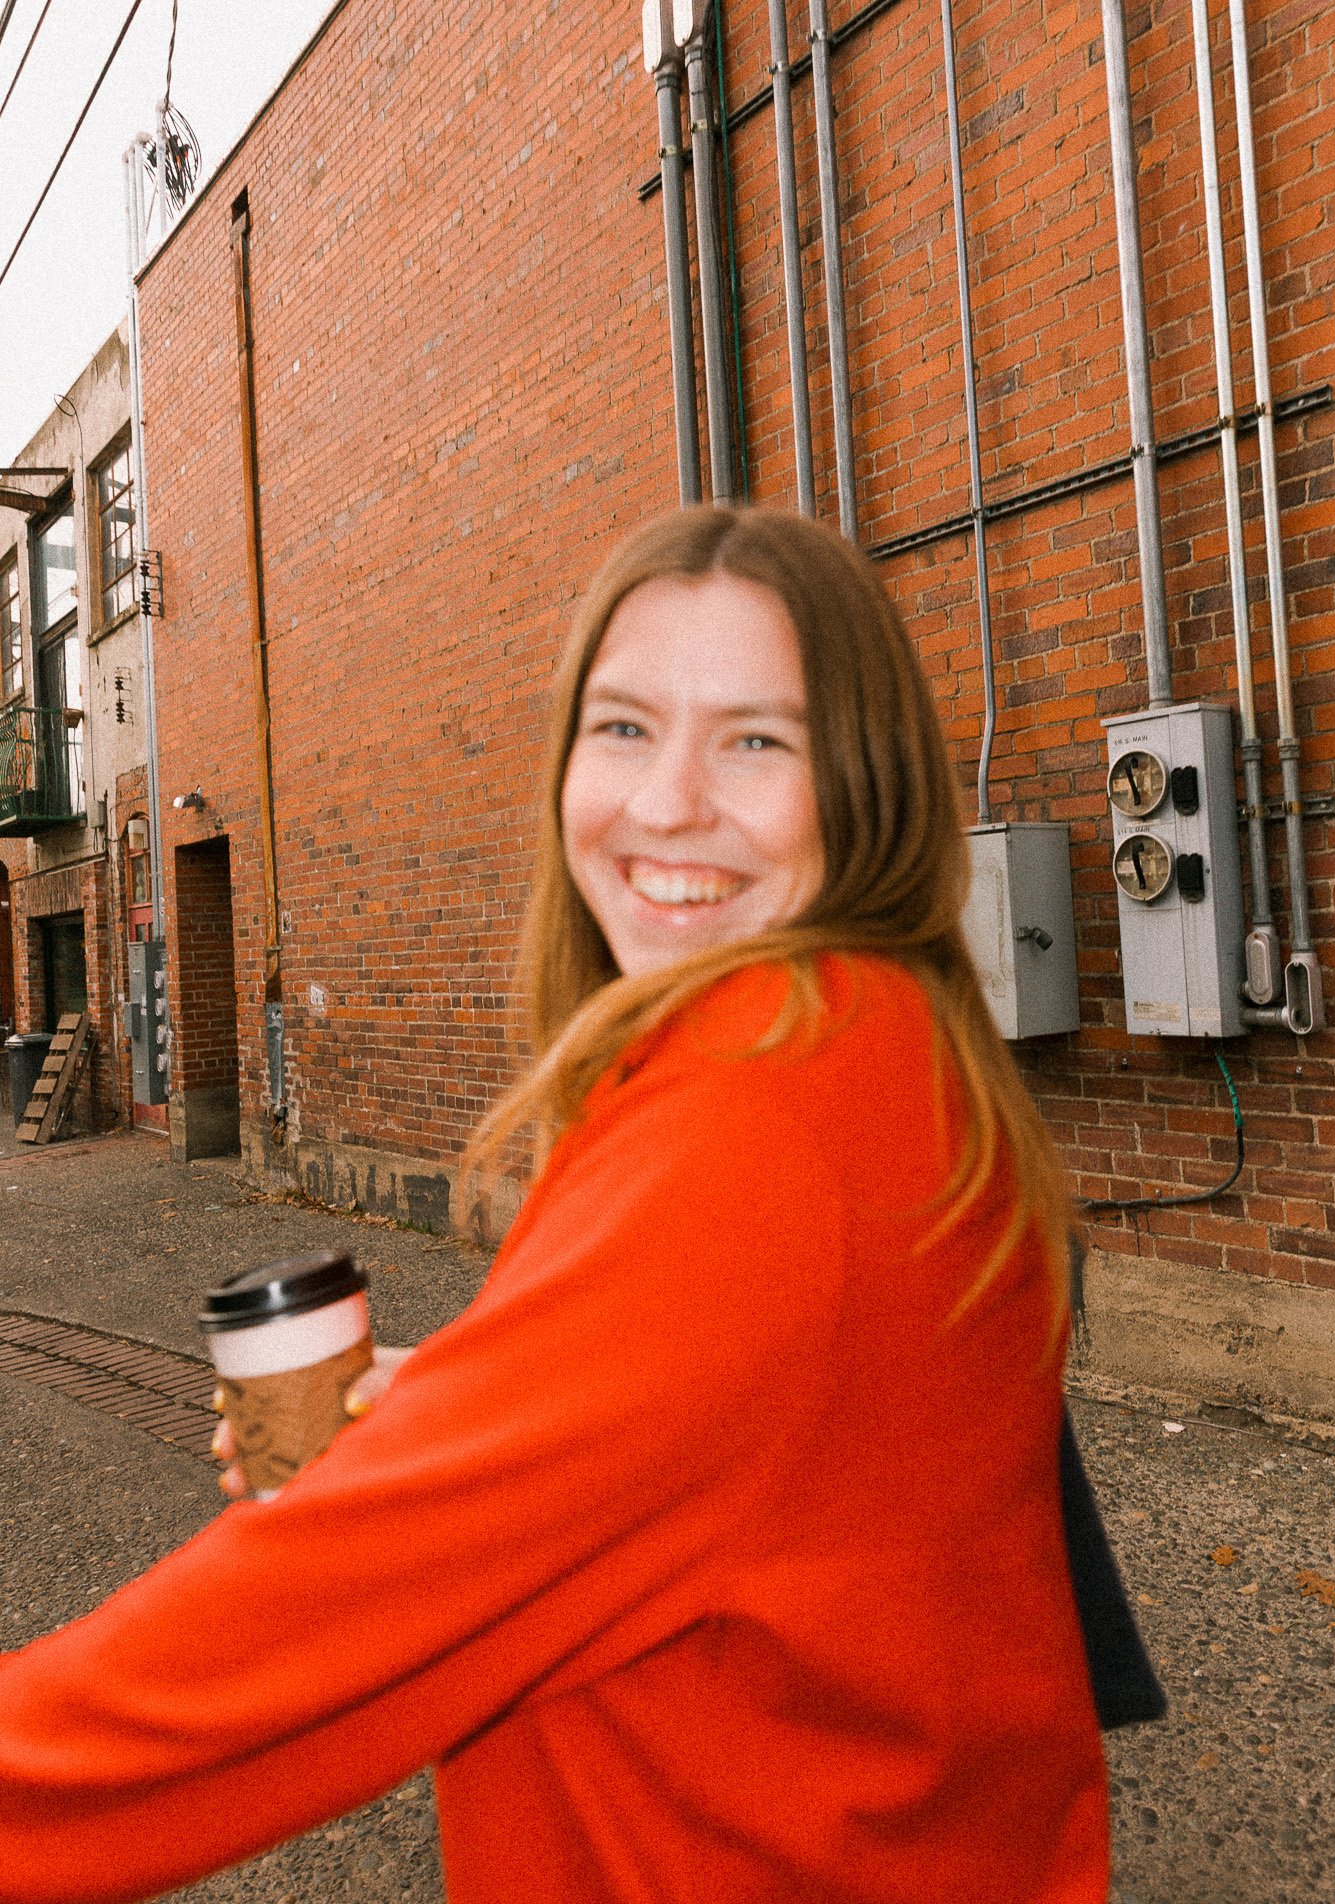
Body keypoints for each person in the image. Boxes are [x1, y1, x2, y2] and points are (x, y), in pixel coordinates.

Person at [0, 505, 1108, 1902]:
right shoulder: (879, 1039)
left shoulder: (750, 1127)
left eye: (756, 740)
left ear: (866, 785)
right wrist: (486, 1412)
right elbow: (781, 1448)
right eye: (623, 728)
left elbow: (279, 1658)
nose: (664, 803)